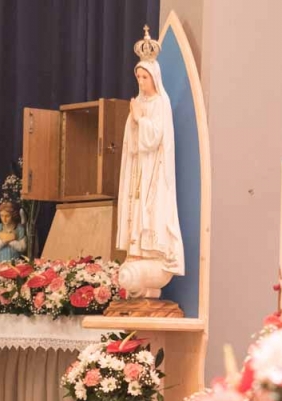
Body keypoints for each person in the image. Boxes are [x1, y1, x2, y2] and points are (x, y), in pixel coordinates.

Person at [116, 29, 185, 299]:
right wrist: (133, 121)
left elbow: (155, 136)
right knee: (135, 206)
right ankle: (136, 249)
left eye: (145, 77)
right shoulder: (139, 102)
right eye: (138, 77)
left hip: (154, 169)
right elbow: (131, 141)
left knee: (149, 208)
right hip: (138, 167)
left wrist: (139, 119)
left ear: (154, 77)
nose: (141, 82)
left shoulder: (160, 102)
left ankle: (150, 250)